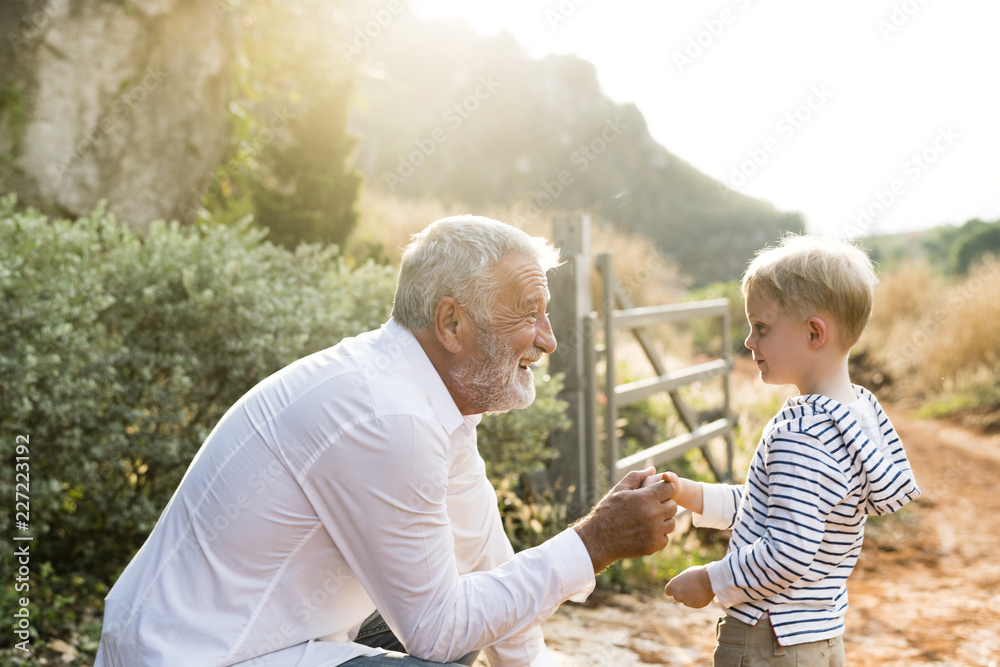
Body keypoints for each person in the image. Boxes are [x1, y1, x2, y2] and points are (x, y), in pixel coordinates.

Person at [93, 215, 678, 667]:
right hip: (201, 655)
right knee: (450, 636)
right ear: (452, 323)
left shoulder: (419, 392)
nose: (548, 341)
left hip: (251, 638)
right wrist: (593, 542)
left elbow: (483, 553)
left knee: (476, 602)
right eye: (530, 314)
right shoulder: (388, 416)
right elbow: (438, 629)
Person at [657, 235, 920, 665]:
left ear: (814, 332)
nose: (749, 341)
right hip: (820, 636)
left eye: (761, 327)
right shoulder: (857, 414)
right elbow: (775, 509)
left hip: (767, 638)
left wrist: (710, 580)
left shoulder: (802, 434)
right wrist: (689, 493)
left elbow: (788, 548)